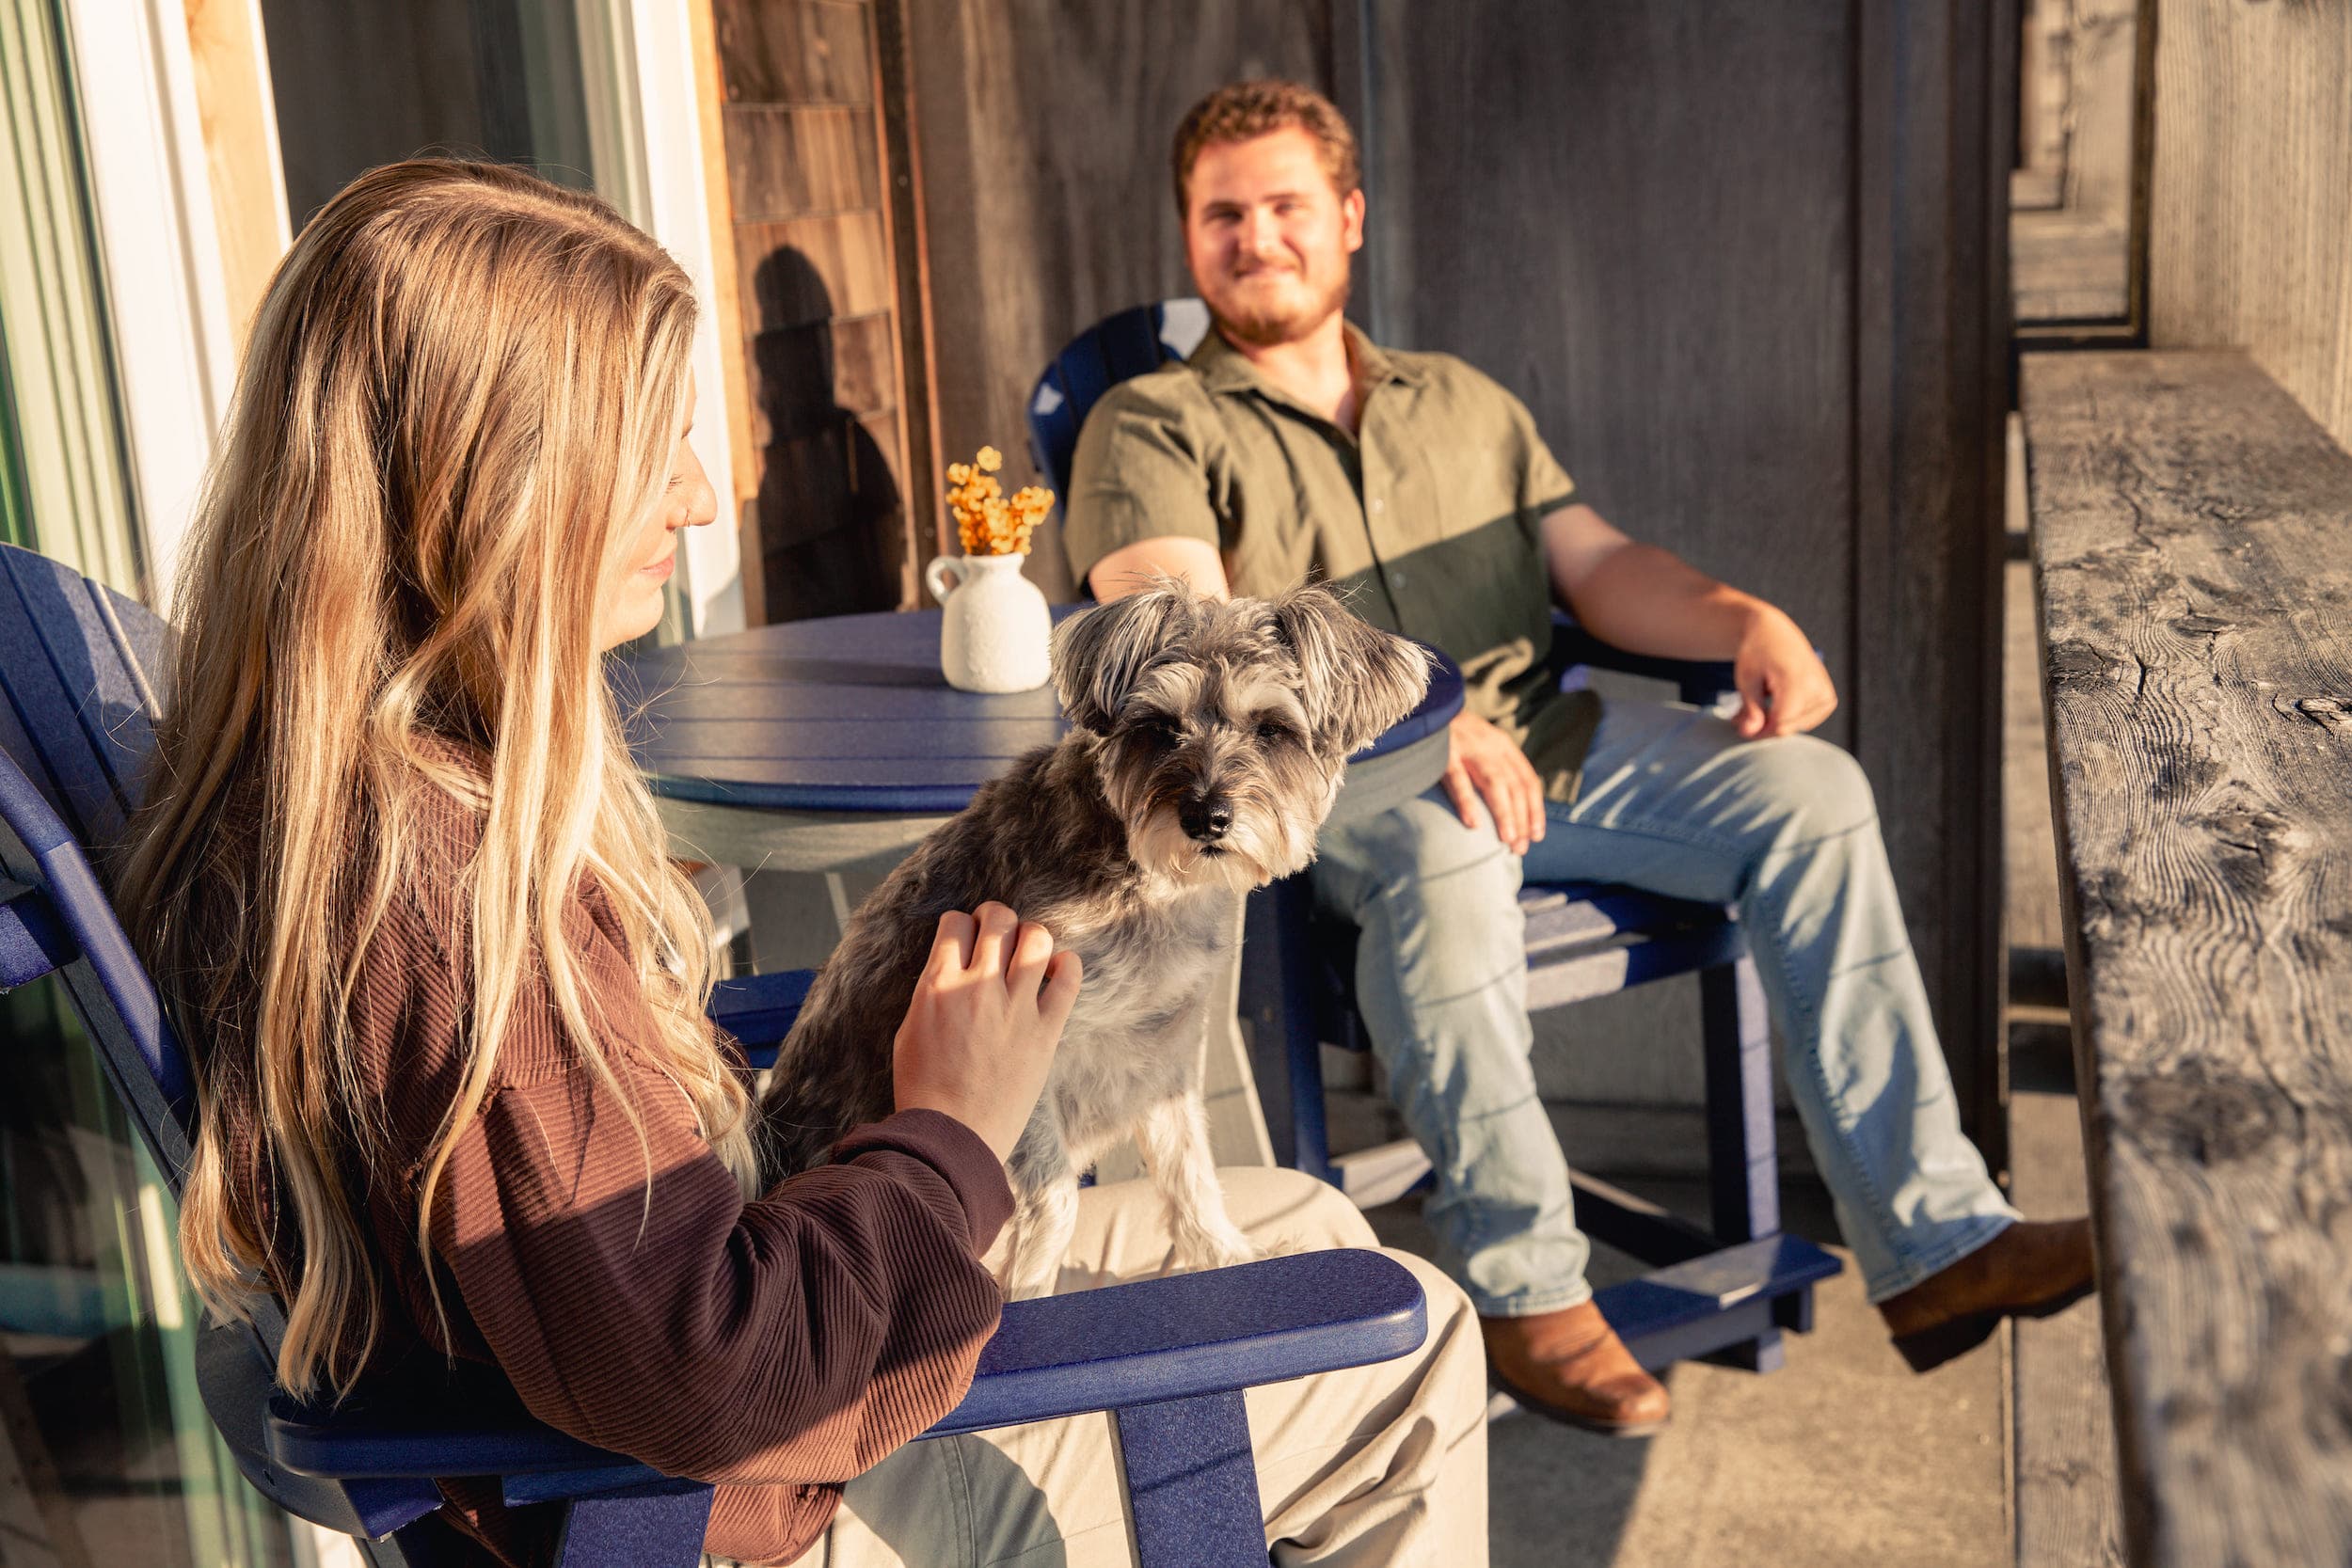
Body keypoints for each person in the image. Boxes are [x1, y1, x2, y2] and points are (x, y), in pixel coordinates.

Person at [119, 159, 1486, 1567]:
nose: (704, 498)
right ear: (491, 483)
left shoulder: (363, 798)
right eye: (654, 446)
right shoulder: (452, 908)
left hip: (753, 1341)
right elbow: (712, 1375)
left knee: (1320, 1218)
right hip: (749, 1498)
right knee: (1411, 1334)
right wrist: (949, 1126)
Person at [1061, 80, 2094, 1437]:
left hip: (1556, 739)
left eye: (1286, 207)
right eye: (1223, 215)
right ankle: (1527, 1286)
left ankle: (1941, 1245)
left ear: (1349, 218)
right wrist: (1426, 716)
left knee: (1815, 792)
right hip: (1356, 788)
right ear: (1191, 236)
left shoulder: (1466, 405)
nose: (1257, 238)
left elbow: (1599, 569)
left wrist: (1743, 620)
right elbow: (1187, 624)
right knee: (1447, 851)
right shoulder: (1152, 423)